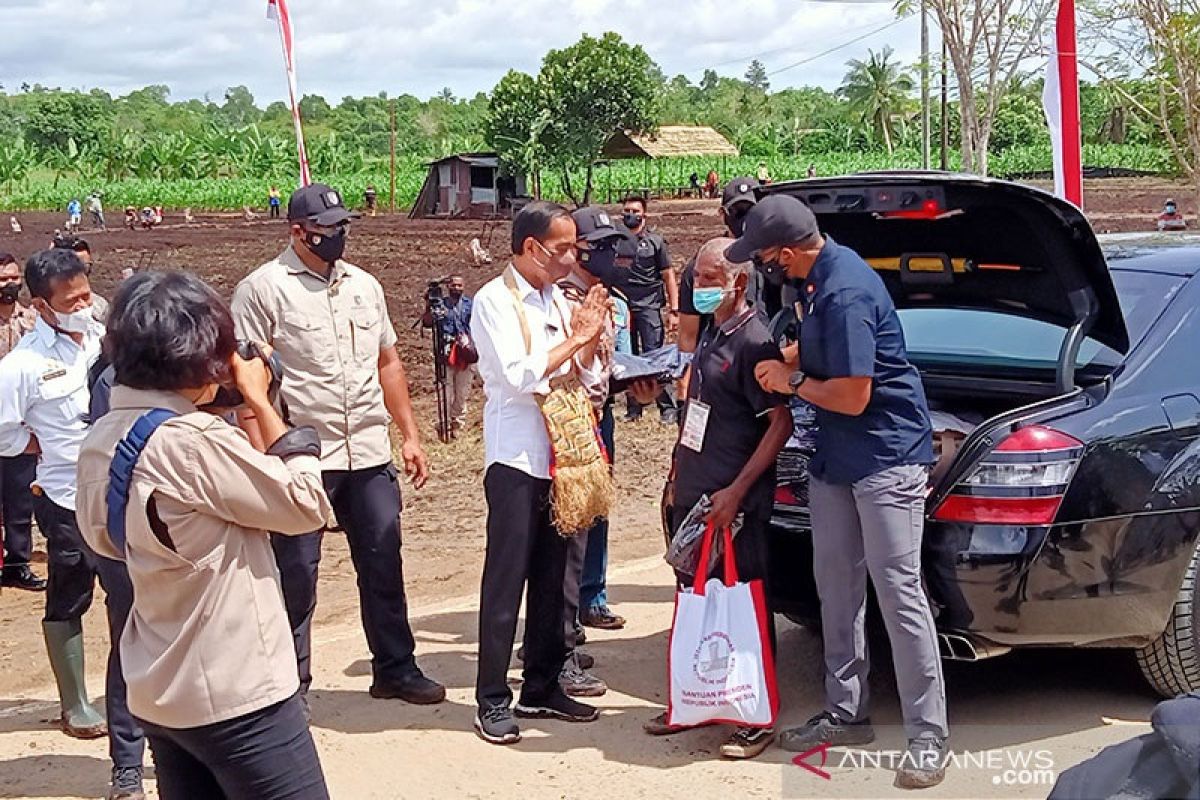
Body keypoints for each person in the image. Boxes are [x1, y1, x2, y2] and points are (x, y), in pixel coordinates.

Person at [77, 270, 332, 800]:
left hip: (159, 690)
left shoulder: (100, 438)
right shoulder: (191, 442)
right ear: (195, 358)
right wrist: (261, 402)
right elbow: (306, 506)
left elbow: (103, 540)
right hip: (239, 696)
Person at [729, 194, 948, 789]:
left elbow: (853, 395)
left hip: (883, 459)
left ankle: (928, 735)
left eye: (765, 255)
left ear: (789, 250)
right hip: (835, 460)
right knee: (836, 588)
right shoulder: (812, 283)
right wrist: (800, 359)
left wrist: (793, 379)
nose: (762, 266)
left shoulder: (846, 290)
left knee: (899, 595)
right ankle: (846, 713)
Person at [231, 184, 443, 708]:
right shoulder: (263, 289)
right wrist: (265, 462)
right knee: (296, 575)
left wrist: (409, 435)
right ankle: (288, 686)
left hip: (368, 450)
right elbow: (248, 382)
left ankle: (395, 668)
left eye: (343, 225)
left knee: (382, 563)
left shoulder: (365, 287)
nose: (338, 236)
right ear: (297, 231)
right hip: (301, 457)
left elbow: (388, 362)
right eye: (327, 229)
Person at [0, 251, 154, 796]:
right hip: (66, 498)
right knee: (81, 597)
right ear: (40, 306)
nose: (84, 305)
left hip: (125, 499)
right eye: (71, 301)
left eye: (86, 294)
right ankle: (89, 716)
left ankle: (145, 736)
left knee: (131, 615)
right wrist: (40, 446)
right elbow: (3, 433)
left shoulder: (106, 336)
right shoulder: (20, 366)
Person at [641, 237, 792, 760]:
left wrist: (736, 491)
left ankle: (756, 716)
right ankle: (693, 699)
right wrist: (678, 470)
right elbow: (698, 410)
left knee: (744, 602)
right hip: (695, 495)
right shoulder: (710, 332)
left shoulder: (754, 341)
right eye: (695, 280)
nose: (699, 290)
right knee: (694, 596)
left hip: (735, 502)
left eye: (708, 280)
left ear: (740, 283)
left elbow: (780, 425)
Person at [469, 200, 609, 744]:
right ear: (531, 248)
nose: (573, 258)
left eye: (575, 248)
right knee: (507, 581)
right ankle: (491, 699)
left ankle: (543, 686)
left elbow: (583, 373)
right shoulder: (494, 302)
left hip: (563, 461)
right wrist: (575, 339)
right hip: (518, 461)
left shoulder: (557, 297)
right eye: (563, 249)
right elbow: (516, 375)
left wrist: (590, 342)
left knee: (556, 580)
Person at [615, 195, 678, 424]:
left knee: (655, 357)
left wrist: (674, 309)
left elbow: (668, 274)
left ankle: (667, 408)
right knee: (627, 358)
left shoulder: (655, 242)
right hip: (623, 308)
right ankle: (634, 409)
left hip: (649, 306)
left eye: (634, 210)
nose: (629, 215)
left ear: (644, 215)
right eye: (626, 211)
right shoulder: (617, 242)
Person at [0, 252, 42, 591]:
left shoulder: (32, 321)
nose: (9, 285)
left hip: (21, 426)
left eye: (14, 278)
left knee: (19, 500)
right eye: (3, 280)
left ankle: (18, 563)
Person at [422, 274, 474, 438]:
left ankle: (457, 423)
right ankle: (444, 425)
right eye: (453, 285)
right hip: (445, 353)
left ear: (464, 287)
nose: (456, 288)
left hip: (465, 354)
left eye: (459, 285)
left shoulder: (470, 305)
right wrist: (428, 305)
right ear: (448, 287)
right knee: (445, 391)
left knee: (462, 392)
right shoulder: (441, 304)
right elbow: (428, 323)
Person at [52, 236, 110, 323]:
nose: (81, 274)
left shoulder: (100, 307)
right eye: (75, 268)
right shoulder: (43, 313)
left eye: (86, 266)